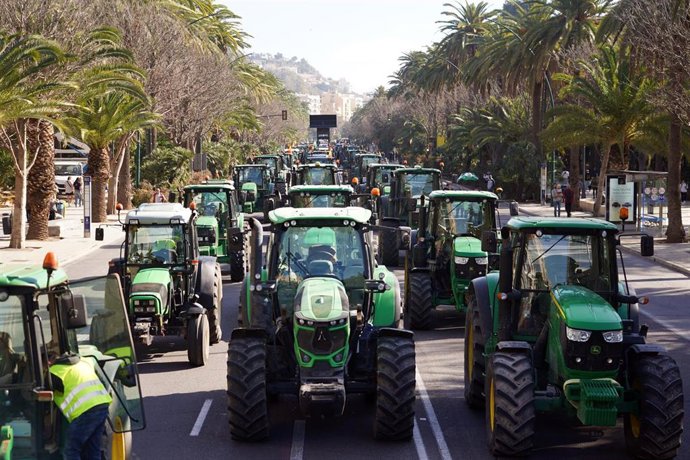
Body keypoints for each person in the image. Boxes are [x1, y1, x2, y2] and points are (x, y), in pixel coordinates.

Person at [48, 352, 112, 460]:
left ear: (49, 362)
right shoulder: (83, 361)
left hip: (86, 412)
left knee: (71, 450)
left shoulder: (55, 372)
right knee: (93, 449)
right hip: (102, 405)